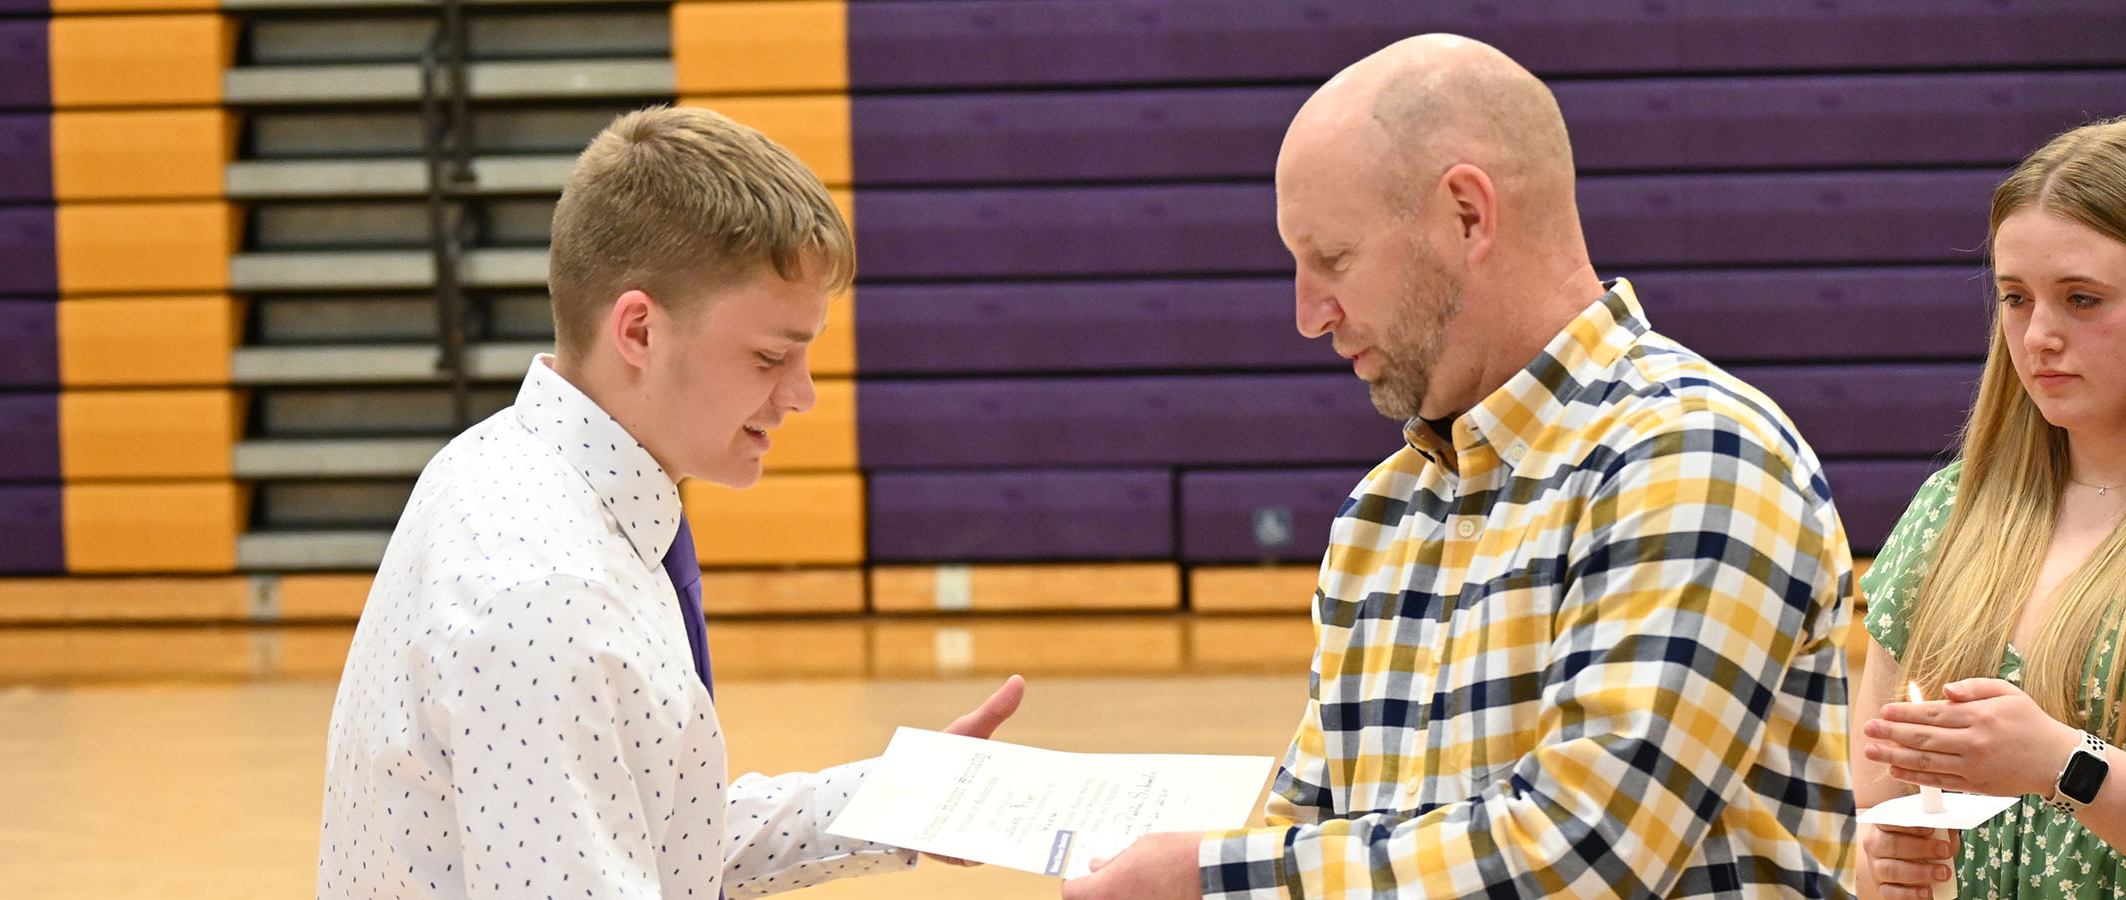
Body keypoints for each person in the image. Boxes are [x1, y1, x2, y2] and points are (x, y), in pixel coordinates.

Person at [1063, 34, 1856, 900]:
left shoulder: (1694, 454)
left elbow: (1585, 855)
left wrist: (1210, 882)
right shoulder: (1383, 513)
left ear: (1468, 215)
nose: (1307, 314)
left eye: (1332, 258)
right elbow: (1309, 841)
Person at [314, 106, 1026, 900]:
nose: (802, 395)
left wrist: (906, 798)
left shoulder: (502, 463)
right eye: (768, 356)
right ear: (641, 332)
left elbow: (657, 836)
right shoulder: (547, 593)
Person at [1854, 117, 2126, 900]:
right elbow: (1874, 806)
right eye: (2015, 298)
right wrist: (1884, 861)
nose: (2038, 335)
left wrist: (2063, 765)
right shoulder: (1950, 513)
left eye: (2082, 299)